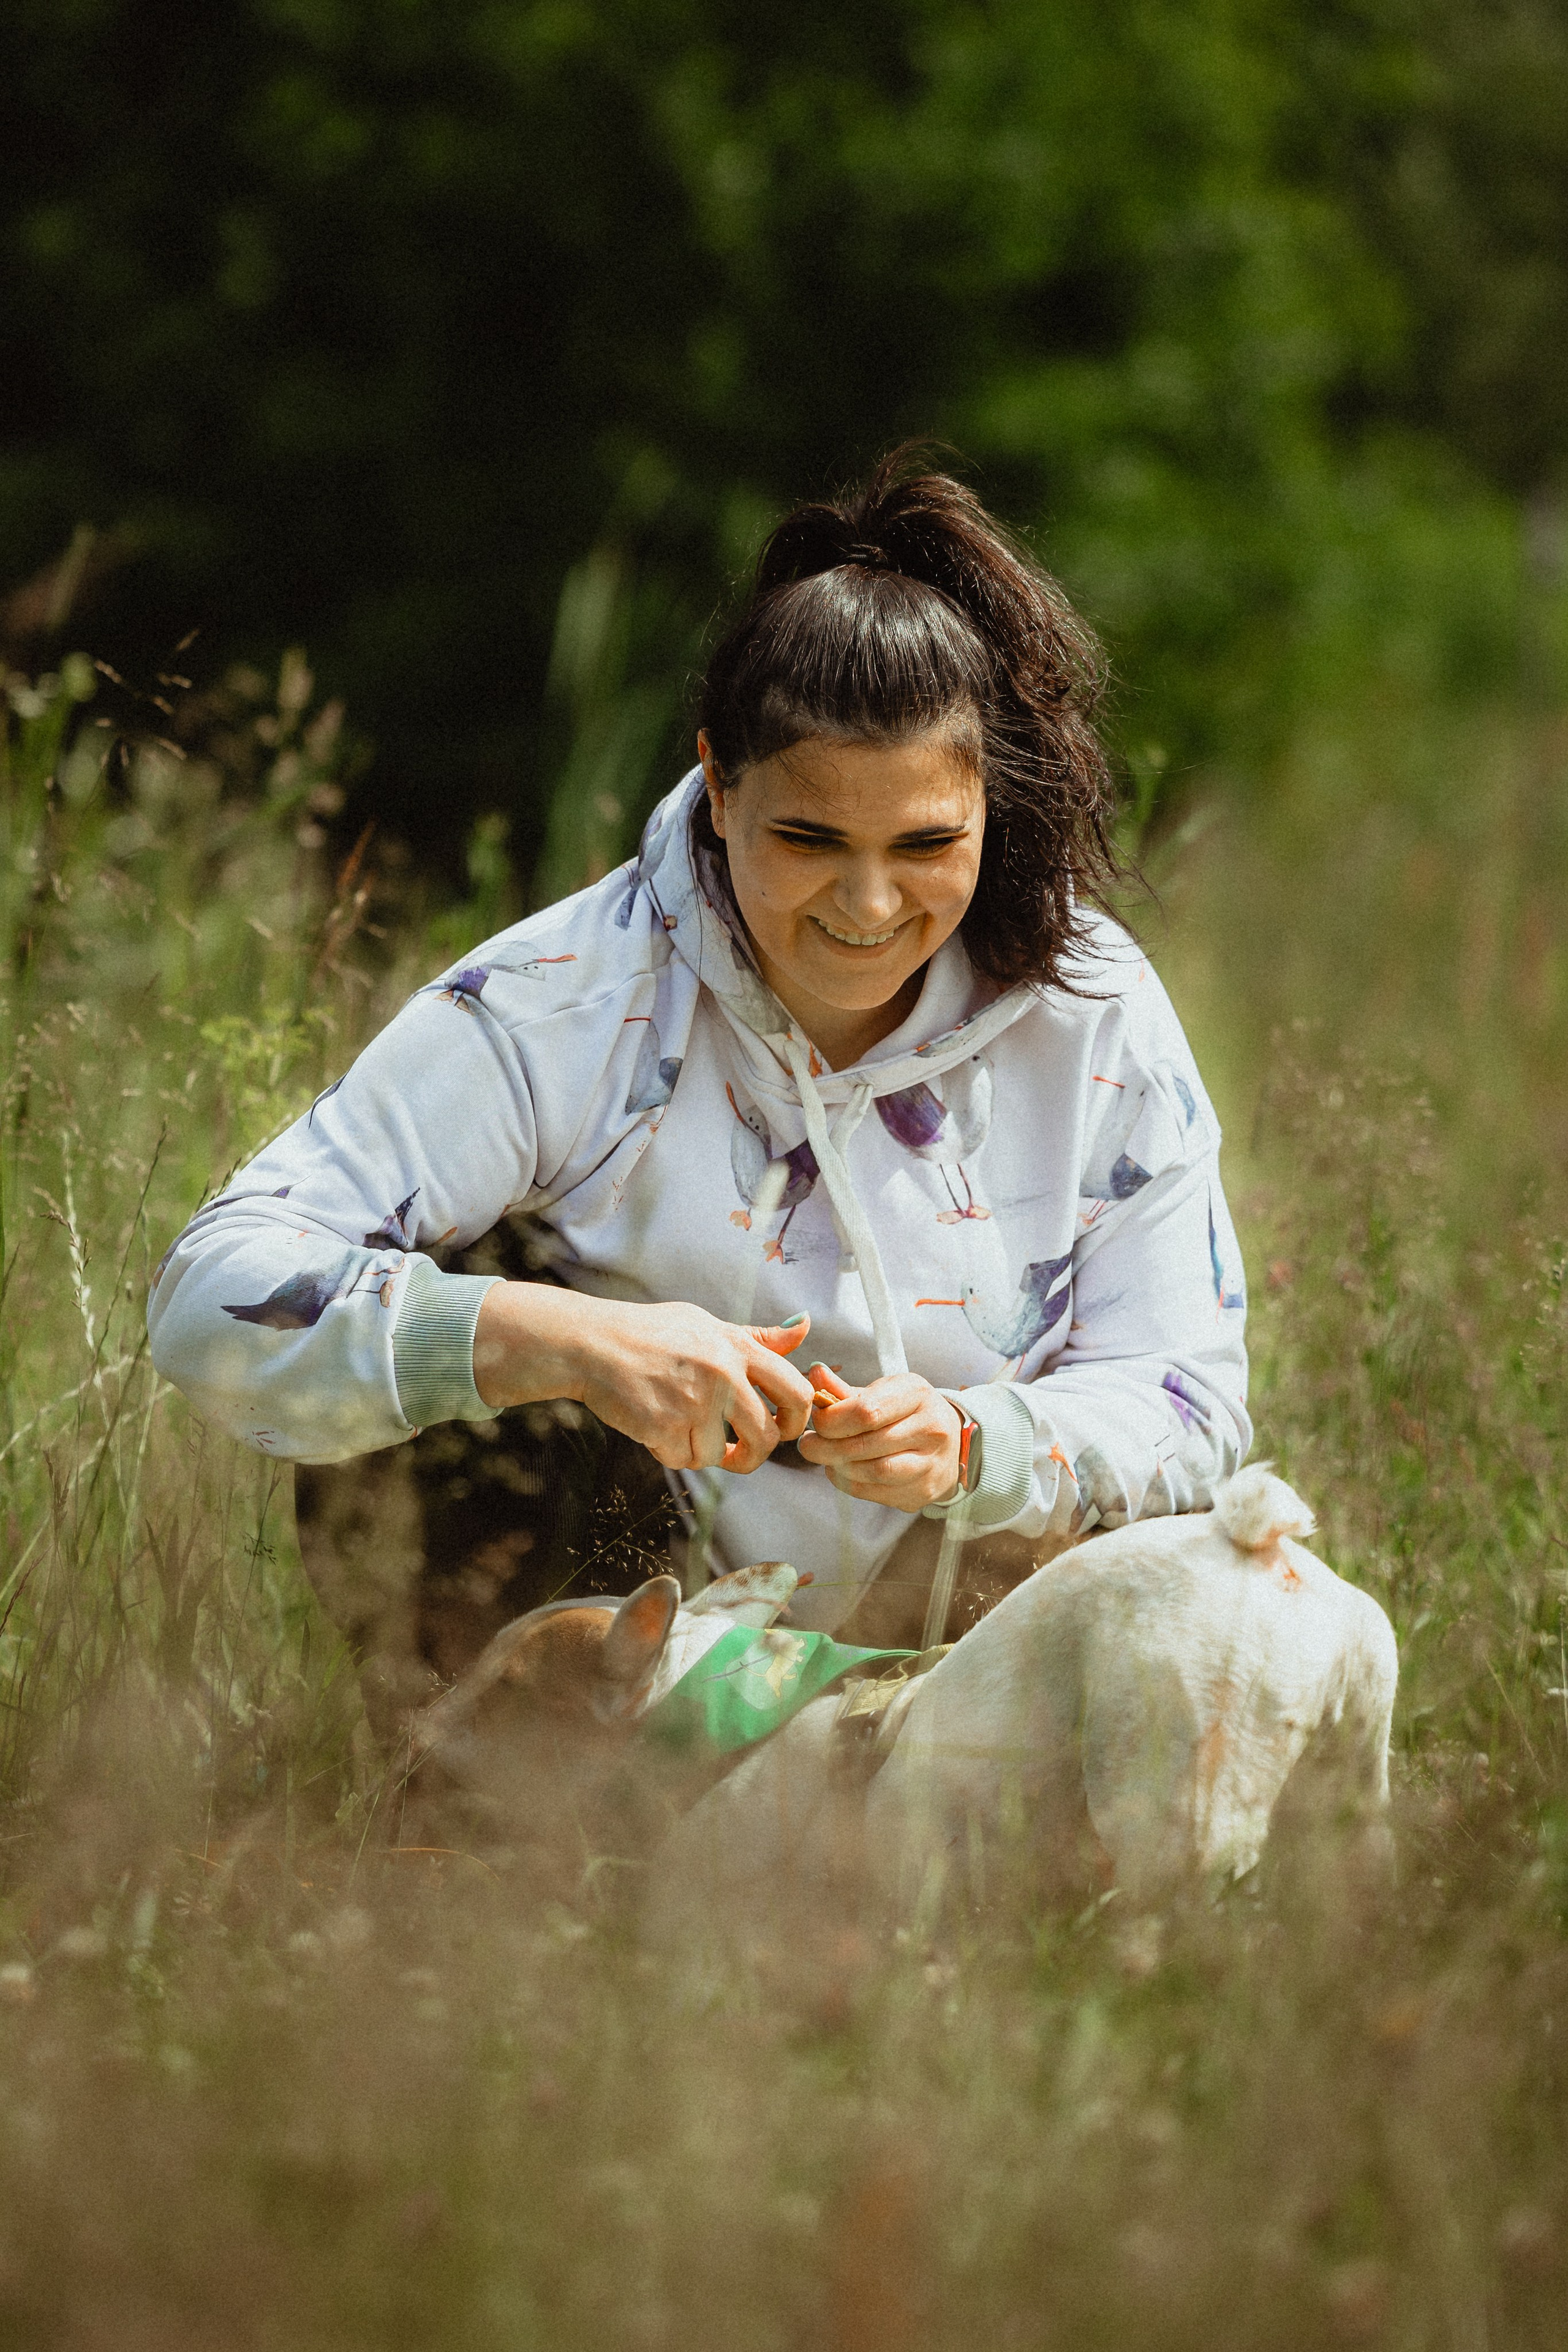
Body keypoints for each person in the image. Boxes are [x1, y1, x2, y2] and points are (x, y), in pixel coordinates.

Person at [148, 451, 1250, 1721]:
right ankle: (507, 1826)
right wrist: (564, 1341)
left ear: (990, 807)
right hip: (614, 1647)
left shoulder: (1090, 1011)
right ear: (718, 787)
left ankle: (902, 1786)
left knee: (1161, 1560)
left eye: (927, 844)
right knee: (474, 1317)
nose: (870, 905)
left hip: (962, 1649)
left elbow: (1189, 1397)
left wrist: (970, 1446)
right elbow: (209, 1293)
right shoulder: (564, 998)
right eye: (807, 839)